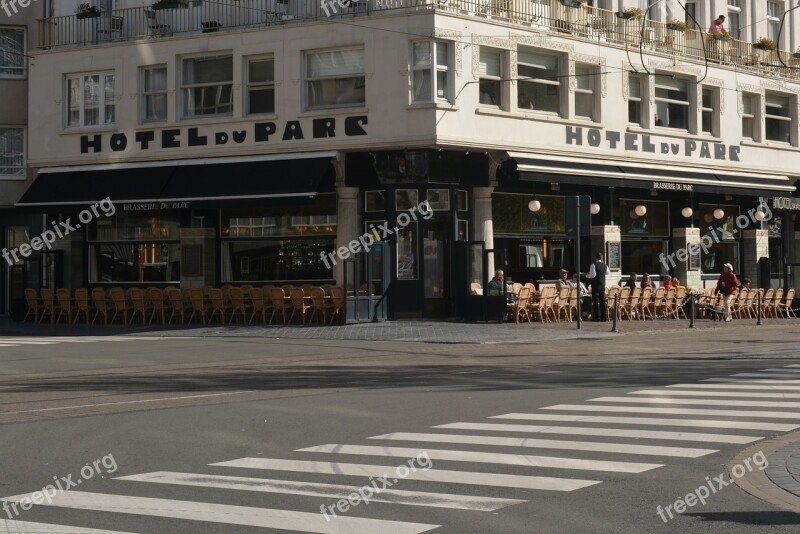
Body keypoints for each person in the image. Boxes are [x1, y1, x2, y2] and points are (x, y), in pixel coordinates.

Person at [585, 252, 610, 321]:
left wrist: (586, 275)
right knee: (602, 300)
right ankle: (604, 317)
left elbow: (593, 275)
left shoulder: (594, 264)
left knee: (595, 300)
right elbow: (607, 272)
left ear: (596, 257)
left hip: (596, 284)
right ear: (601, 257)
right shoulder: (605, 265)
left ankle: (596, 317)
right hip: (602, 284)